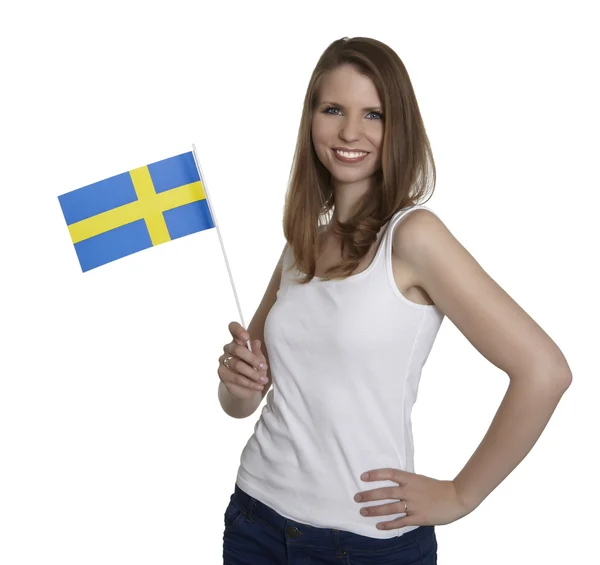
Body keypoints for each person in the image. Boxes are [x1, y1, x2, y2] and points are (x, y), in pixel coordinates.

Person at [216, 37, 572, 565]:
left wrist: (460, 494)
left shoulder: (413, 237)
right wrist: (236, 383)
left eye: (373, 114)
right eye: (333, 109)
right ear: (311, 120)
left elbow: (545, 372)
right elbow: (242, 405)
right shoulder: (300, 245)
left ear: (398, 126)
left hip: (364, 544)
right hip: (256, 521)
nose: (350, 132)